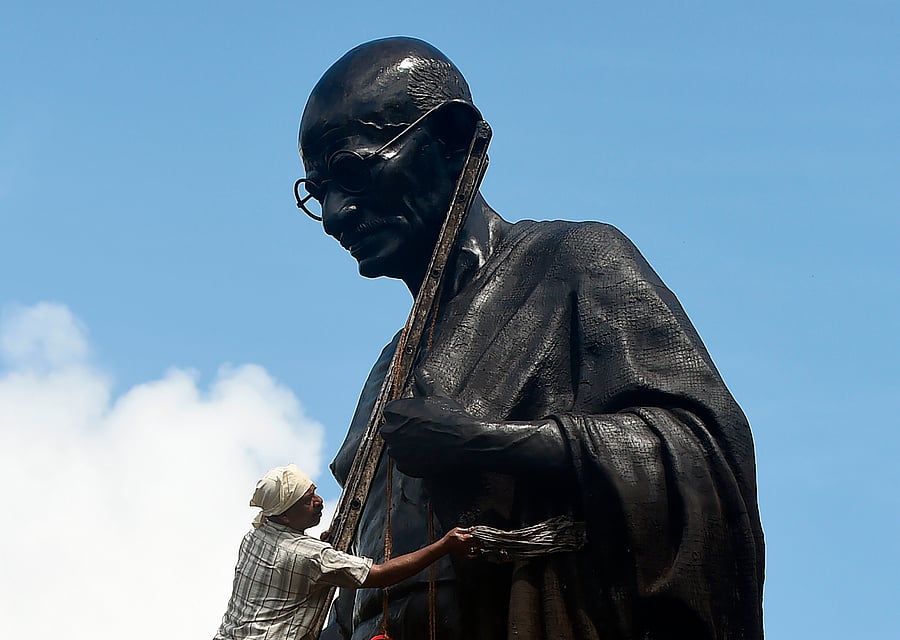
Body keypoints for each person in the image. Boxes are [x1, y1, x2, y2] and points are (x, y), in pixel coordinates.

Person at [296, 37, 765, 640]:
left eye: (354, 170)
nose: (336, 214)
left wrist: (487, 444)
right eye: (318, 191)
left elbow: (703, 453)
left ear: (452, 141)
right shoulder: (388, 367)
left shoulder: (574, 263)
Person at [213, 464, 477, 640]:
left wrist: (318, 546)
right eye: (306, 502)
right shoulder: (311, 557)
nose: (318, 502)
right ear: (283, 516)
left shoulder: (255, 536)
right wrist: (444, 545)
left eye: (313, 492)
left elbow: (289, 562)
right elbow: (380, 575)